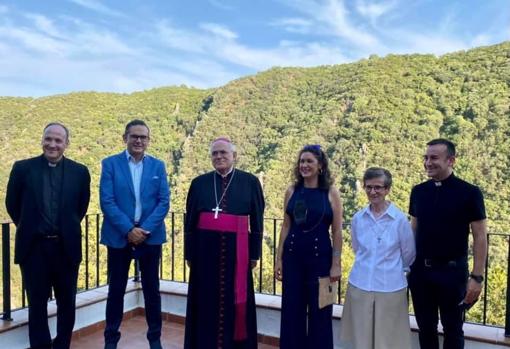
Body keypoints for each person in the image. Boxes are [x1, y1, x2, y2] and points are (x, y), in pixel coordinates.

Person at [6, 123, 90, 349]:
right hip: (34, 249)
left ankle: (62, 345)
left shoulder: (80, 172)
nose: (52, 144)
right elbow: (12, 205)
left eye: (58, 140)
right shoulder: (23, 168)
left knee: (67, 304)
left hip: (66, 249)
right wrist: (32, 227)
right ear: (42, 139)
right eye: (48, 139)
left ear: (66, 144)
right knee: (37, 306)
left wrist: (64, 227)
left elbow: (80, 208)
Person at [184, 137, 265, 349]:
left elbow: (257, 221)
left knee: (235, 302)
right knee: (205, 302)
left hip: (236, 254)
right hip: (205, 253)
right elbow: (190, 222)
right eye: (215, 154)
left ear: (234, 156)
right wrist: (189, 254)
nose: (219, 157)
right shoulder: (199, 183)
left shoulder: (250, 182)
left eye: (223, 153)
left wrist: (254, 254)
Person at [408, 138, 488, 349]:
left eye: (434, 158)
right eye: (425, 158)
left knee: (453, 330)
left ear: (451, 160)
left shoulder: (470, 193)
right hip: (421, 273)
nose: (428, 162)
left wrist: (477, 277)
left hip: (453, 273)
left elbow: (480, 236)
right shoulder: (418, 191)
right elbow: (412, 229)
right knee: (425, 329)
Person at [100, 119, 170, 349]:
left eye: (143, 137)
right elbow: (107, 201)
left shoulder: (158, 166)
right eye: (134, 136)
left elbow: (163, 201)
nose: (139, 140)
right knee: (116, 291)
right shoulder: (110, 164)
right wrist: (129, 230)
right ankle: (111, 340)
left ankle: (155, 339)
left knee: (152, 291)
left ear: (148, 140)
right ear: (125, 138)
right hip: (119, 237)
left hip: (150, 238)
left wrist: (144, 230)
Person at [275, 144, 343, 349]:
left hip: (321, 263)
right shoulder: (292, 190)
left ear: (320, 165)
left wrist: (336, 263)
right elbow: (286, 226)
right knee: (291, 312)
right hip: (293, 259)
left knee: (321, 313)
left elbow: (337, 231)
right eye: (301, 161)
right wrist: (279, 259)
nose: (304, 165)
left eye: (309, 161)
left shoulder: (331, 193)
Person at [340, 167, 415, 349]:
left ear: (387, 189)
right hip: (360, 284)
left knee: (388, 341)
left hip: (390, 287)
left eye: (378, 187)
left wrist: (392, 269)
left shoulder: (399, 220)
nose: (373, 192)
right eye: (369, 187)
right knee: (361, 339)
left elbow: (409, 254)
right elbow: (358, 249)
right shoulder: (358, 218)